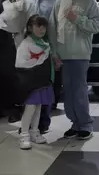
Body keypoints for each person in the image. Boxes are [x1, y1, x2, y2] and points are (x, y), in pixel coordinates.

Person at [0, 0, 59, 132]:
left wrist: (55, 52)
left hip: (47, 48)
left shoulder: (56, 1)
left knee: (45, 86)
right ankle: (29, 123)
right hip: (28, 48)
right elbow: (19, 22)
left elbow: (57, 29)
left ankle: (43, 123)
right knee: (29, 87)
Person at [49, 0, 99, 140]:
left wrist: (77, 19)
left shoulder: (89, 1)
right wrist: (55, 52)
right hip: (63, 54)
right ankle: (75, 122)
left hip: (80, 53)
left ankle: (85, 123)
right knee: (68, 90)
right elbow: (53, 28)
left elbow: (96, 25)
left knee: (79, 89)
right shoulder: (59, 3)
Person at [15, 15, 56, 150]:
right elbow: (21, 64)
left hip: (41, 81)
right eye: (38, 26)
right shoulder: (26, 44)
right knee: (30, 107)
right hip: (30, 82)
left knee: (38, 106)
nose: (41, 29)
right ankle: (24, 134)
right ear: (30, 28)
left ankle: (34, 131)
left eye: (43, 26)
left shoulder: (44, 44)